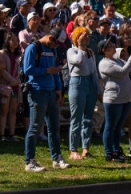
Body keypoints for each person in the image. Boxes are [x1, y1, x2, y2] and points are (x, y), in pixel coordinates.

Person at [22, 31, 68, 171]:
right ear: (50, 37)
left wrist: (58, 89)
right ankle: (30, 161)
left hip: (51, 91)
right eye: (54, 42)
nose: (55, 46)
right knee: (35, 127)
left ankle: (57, 157)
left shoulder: (52, 49)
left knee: (54, 127)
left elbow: (55, 72)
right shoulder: (33, 48)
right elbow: (27, 69)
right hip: (37, 91)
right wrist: (47, 70)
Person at [99, 39, 131, 162]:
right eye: (110, 46)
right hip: (113, 100)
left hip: (125, 99)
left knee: (118, 126)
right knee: (110, 126)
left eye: (113, 44)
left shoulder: (118, 60)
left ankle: (116, 150)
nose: (113, 46)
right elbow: (123, 72)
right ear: (104, 50)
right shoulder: (104, 63)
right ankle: (109, 153)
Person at [66, 26, 99, 160]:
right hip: (77, 83)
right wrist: (80, 47)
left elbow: (94, 70)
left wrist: (98, 89)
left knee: (88, 118)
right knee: (76, 118)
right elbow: (78, 61)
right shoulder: (71, 51)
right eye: (83, 35)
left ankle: (86, 148)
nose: (86, 37)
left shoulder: (90, 52)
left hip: (90, 83)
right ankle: (73, 149)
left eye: (87, 35)